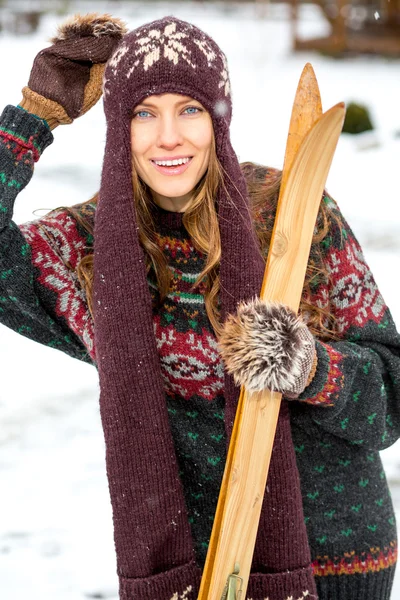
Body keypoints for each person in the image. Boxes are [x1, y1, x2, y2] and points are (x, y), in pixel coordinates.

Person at [0, 12, 399, 600]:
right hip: (191, 571)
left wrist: (310, 367)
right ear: (118, 125)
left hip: (332, 561)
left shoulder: (292, 212)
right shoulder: (86, 252)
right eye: (143, 112)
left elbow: (391, 398)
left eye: (188, 109)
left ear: (219, 120)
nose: (169, 137)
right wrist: (33, 118)